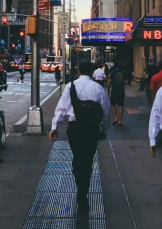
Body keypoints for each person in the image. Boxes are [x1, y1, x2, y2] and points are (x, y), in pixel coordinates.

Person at [49, 61, 110, 212]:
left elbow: (61, 108)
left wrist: (54, 127)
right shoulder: (97, 87)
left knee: (77, 157)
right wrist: (104, 128)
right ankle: (84, 190)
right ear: (91, 73)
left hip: (75, 128)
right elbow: (106, 110)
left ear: (78, 71)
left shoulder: (70, 86)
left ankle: (79, 183)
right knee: (88, 158)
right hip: (92, 129)